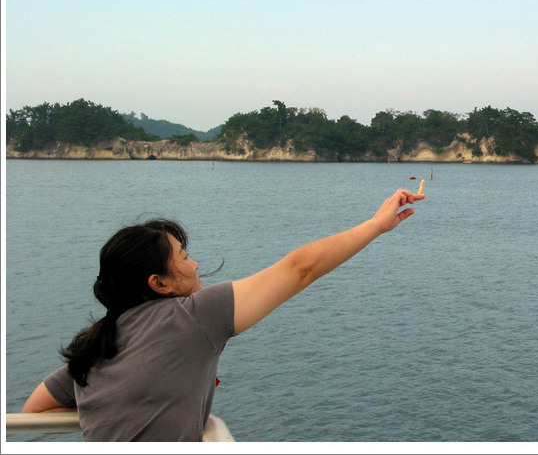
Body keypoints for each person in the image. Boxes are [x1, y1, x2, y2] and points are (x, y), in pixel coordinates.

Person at [22, 188, 424, 441]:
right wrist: (376, 224)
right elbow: (299, 269)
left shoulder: (96, 344)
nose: (195, 265)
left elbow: (33, 410)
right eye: (183, 257)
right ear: (158, 283)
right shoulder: (192, 317)